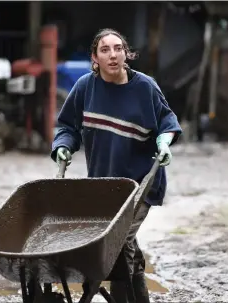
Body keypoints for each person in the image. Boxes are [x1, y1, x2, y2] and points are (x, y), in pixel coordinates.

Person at [51, 28, 182, 302]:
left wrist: (164, 143)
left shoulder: (145, 87)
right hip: (102, 186)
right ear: (95, 58)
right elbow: (67, 125)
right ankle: (138, 294)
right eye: (105, 50)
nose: (113, 55)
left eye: (118, 48)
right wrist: (63, 146)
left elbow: (167, 123)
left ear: (127, 54)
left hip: (139, 185)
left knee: (118, 243)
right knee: (123, 246)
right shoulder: (85, 87)